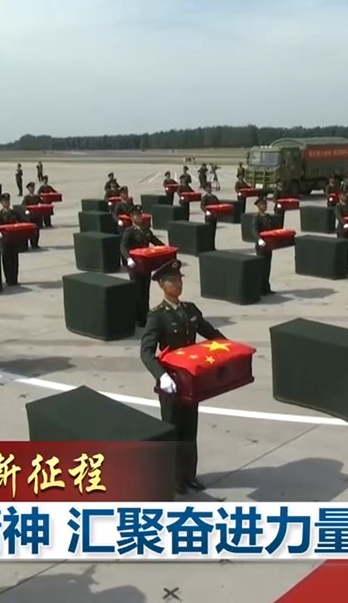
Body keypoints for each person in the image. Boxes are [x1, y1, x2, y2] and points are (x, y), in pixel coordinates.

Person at [139, 260, 224, 494]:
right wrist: (161, 376)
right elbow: (146, 352)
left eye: (179, 280)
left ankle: (189, 475)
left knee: (189, 429)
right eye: (172, 281)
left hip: (191, 381)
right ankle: (174, 477)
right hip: (171, 382)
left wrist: (229, 348)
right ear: (161, 285)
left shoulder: (190, 309)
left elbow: (211, 333)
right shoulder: (157, 316)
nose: (178, 284)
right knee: (173, 429)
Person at [120, 206, 164, 327]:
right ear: (131, 217)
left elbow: (156, 241)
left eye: (140, 215)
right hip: (135, 265)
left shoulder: (145, 230)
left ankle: (145, 314)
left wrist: (166, 248)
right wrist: (128, 258)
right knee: (138, 292)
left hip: (146, 265)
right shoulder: (129, 231)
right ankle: (139, 318)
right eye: (136, 215)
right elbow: (123, 246)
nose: (139, 217)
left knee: (145, 291)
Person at [0, 193, 26, 286]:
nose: (7, 203)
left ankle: (14, 279)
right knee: (6, 261)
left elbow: (22, 221)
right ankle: (8, 279)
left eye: (8, 201)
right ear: (1, 203)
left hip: (14, 240)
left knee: (15, 261)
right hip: (5, 241)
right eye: (5, 202)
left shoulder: (14, 213)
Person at [250, 196, 279, 295]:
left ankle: (266, 287)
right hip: (261, 246)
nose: (265, 206)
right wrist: (259, 240)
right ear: (258, 206)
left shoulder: (268, 216)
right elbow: (254, 230)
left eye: (265, 204)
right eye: (263, 204)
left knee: (267, 267)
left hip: (269, 245)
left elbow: (274, 228)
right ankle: (260, 289)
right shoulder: (256, 217)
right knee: (261, 267)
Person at [20, 182, 43, 249]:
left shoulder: (37, 197)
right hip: (30, 217)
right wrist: (26, 210)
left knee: (37, 231)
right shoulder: (26, 197)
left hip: (37, 216)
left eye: (33, 187)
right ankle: (31, 243)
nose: (32, 189)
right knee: (31, 231)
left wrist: (41, 204)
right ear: (28, 189)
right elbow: (23, 205)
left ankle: (35, 244)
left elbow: (42, 203)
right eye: (30, 188)